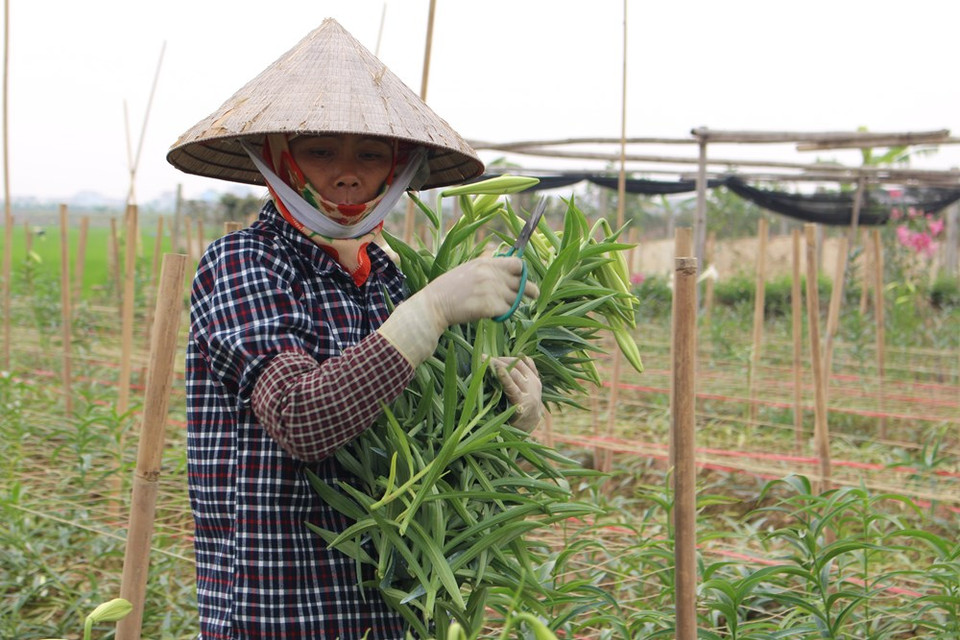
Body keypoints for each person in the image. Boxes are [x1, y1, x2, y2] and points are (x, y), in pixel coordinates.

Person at [167, 18, 542, 640]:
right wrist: (431, 311)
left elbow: (430, 449)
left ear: (397, 167)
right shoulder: (243, 263)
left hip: (392, 607)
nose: (348, 174)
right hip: (282, 608)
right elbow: (299, 417)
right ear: (279, 161)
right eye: (320, 151)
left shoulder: (392, 279)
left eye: (370, 155)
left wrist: (510, 423)